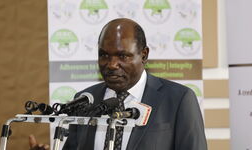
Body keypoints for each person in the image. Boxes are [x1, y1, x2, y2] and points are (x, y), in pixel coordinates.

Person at [30, 18, 207, 150]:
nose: (111, 64)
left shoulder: (178, 99)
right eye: (104, 55)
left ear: (143, 55)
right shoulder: (85, 101)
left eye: (123, 56)